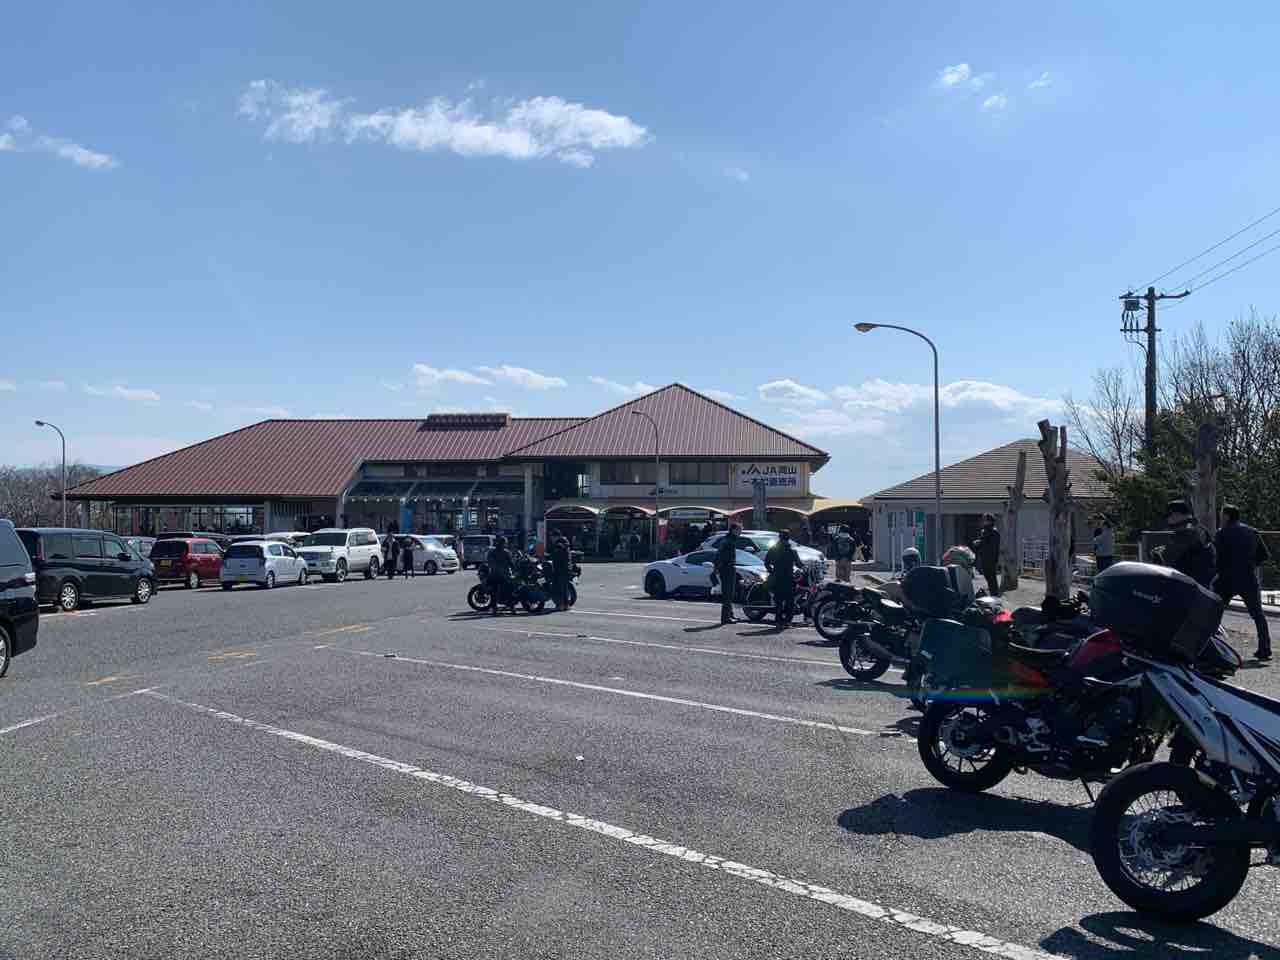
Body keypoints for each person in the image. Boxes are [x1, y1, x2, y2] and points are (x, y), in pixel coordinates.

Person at [1215, 504, 1273, 662]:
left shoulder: (1221, 534)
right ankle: (1264, 649)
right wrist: (1250, 565)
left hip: (1226, 579)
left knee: (1214, 612)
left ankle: (1209, 646)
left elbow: (1217, 558)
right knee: (1258, 615)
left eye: (1221, 515)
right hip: (1248, 577)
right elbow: (1263, 556)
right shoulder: (1252, 532)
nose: (1220, 518)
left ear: (1227, 516)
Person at [1155, 499, 1216, 588]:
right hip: (1195, 584)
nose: (1168, 519)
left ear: (1177, 515)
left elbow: (1170, 558)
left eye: (1169, 516)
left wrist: (1160, 554)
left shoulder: (1189, 532)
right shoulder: (1196, 529)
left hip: (1192, 586)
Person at [765, 529, 801, 627]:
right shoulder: (791, 550)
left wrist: (772, 572)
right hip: (788, 577)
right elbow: (799, 563)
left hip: (779, 577)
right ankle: (787, 621)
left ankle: (779, 620)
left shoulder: (774, 549)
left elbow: (767, 563)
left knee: (779, 600)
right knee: (789, 600)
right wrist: (804, 568)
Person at [717, 523, 744, 625]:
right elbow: (722, 556)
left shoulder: (729, 540)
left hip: (728, 568)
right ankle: (726, 617)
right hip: (727, 569)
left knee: (730, 593)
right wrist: (723, 567)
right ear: (733, 530)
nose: (740, 532)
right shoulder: (729, 541)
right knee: (728, 594)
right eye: (739, 530)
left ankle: (730, 614)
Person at [970, 514, 1001, 597]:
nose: (983, 521)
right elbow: (983, 542)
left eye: (985, 520)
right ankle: (993, 594)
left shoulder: (993, 532)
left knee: (991, 577)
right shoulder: (986, 531)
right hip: (985, 557)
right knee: (989, 577)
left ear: (989, 521)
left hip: (990, 558)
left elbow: (988, 545)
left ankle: (995, 594)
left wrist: (979, 543)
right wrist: (978, 543)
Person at [486, 536, 513, 614]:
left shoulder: (492, 552)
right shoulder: (506, 552)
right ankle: (511, 607)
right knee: (509, 591)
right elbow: (511, 563)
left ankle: (495, 608)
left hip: (494, 575)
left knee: (494, 592)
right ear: (503, 544)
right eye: (505, 543)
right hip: (503, 575)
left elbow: (489, 563)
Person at [550, 535, 572, 611]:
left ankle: (560, 605)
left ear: (555, 536)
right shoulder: (565, 544)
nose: (551, 538)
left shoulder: (559, 545)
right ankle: (566, 605)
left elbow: (557, 557)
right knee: (564, 588)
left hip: (560, 570)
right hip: (566, 569)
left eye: (552, 536)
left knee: (558, 588)